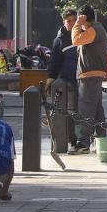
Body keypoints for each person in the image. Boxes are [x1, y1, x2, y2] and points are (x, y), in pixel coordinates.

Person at [71, 4, 107, 153]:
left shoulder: (94, 30)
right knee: (97, 110)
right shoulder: (95, 29)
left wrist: (77, 24)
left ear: (84, 18)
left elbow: (75, 40)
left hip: (90, 75)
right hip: (93, 75)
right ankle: (101, 140)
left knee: (85, 108)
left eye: (79, 19)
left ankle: (83, 142)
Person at [46, 8, 79, 150]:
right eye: (68, 21)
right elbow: (55, 62)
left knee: (86, 111)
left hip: (84, 80)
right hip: (69, 81)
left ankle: (87, 139)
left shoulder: (83, 34)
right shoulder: (59, 40)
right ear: (63, 21)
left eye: (73, 20)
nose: (71, 24)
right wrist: (50, 80)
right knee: (71, 112)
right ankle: (73, 140)